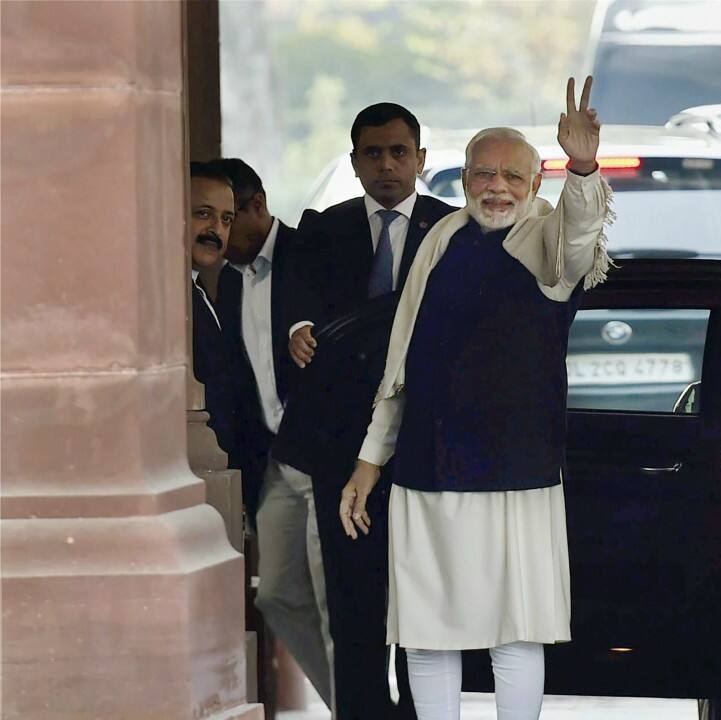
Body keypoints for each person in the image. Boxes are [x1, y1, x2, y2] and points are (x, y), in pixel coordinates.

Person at [339, 77, 612, 720]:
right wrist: (369, 460)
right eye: (483, 174)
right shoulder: (440, 240)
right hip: (428, 467)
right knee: (426, 633)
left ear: (536, 184)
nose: (497, 187)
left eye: (513, 177)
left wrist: (583, 166)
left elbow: (579, 241)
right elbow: (401, 362)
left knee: (516, 633)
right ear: (462, 180)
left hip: (519, 472)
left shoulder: (546, 239)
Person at [273, 102, 453, 718]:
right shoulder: (324, 228)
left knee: (423, 595)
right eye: (372, 154)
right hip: (343, 446)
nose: (386, 165)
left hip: (425, 446)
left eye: (399, 152)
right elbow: (293, 299)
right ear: (354, 163)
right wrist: (298, 326)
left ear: (421, 160)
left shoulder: (452, 230)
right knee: (353, 597)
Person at [207, 157, 298, 528]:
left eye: (228, 218)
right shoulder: (227, 281)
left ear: (257, 205)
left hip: (322, 458)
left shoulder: (308, 255)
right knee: (275, 587)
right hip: (268, 465)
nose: (219, 232)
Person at [188, 161, 244, 467]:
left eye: (226, 219)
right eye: (203, 214)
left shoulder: (199, 290)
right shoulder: (164, 296)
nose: (216, 230)